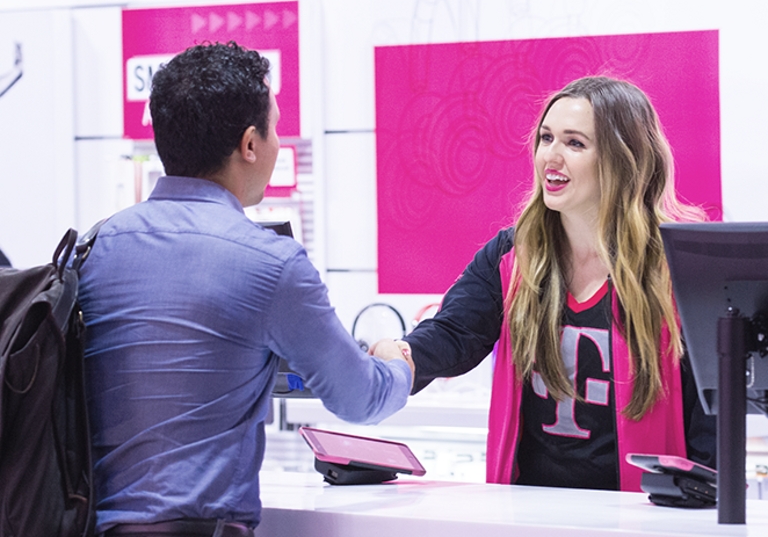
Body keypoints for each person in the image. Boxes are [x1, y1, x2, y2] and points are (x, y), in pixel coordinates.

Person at [78, 42, 414, 537]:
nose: (279, 145)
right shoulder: (269, 264)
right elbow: (359, 397)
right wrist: (395, 362)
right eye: (275, 129)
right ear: (249, 144)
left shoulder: (94, 246)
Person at [373, 76, 715, 492]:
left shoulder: (678, 262)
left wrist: (702, 502)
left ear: (622, 157)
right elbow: (455, 333)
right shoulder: (513, 253)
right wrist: (402, 355)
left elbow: (711, 409)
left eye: (575, 143)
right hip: (531, 510)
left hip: (643, 512)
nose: (551, 157)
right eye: (546, 138)